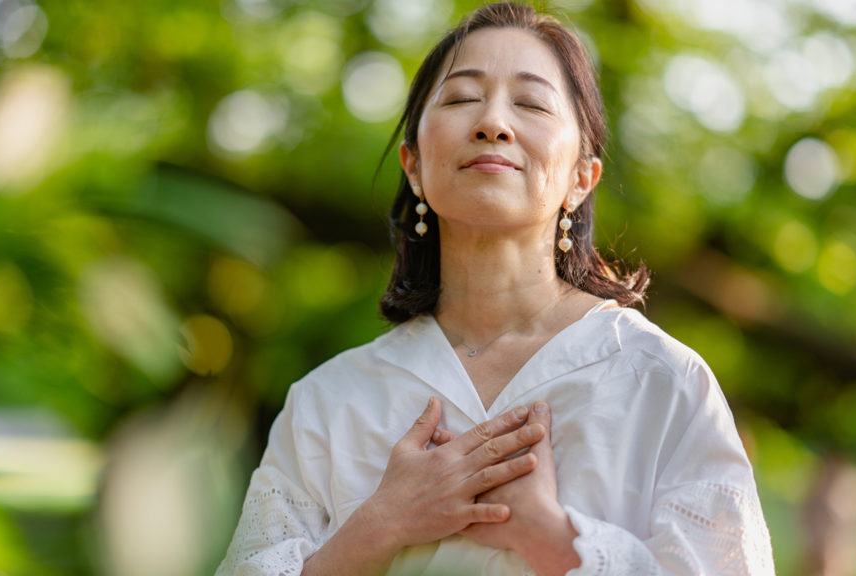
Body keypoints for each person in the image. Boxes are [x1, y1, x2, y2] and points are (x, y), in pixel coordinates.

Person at [216, 2, 775, 575]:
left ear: (583, 178)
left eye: (531, 103)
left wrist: (554, 538)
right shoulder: (328, 401)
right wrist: (381, 523)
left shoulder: (662, 382)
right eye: (461, 99)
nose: (493, 124)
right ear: (414, 167)